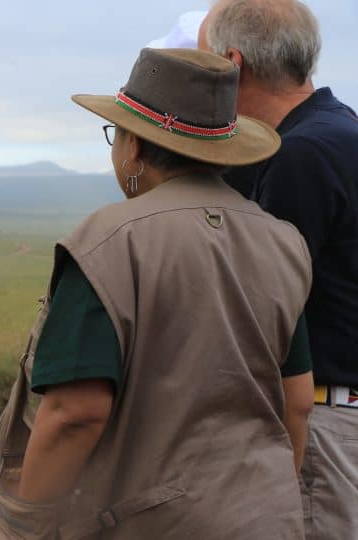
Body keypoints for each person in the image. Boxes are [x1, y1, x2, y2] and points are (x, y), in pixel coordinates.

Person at [0, 49, 314, 540]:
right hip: (266, 518)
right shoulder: (283, 242)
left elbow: (75, 414)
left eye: (115, 134)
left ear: (133, 145)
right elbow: (297, 401)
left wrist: (21, 525)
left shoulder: (108, 241)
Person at [200, 2, 358, 536]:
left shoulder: (301, 154)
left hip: (322, 421)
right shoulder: (338, 129)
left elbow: (263, 306)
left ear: (233, 63)